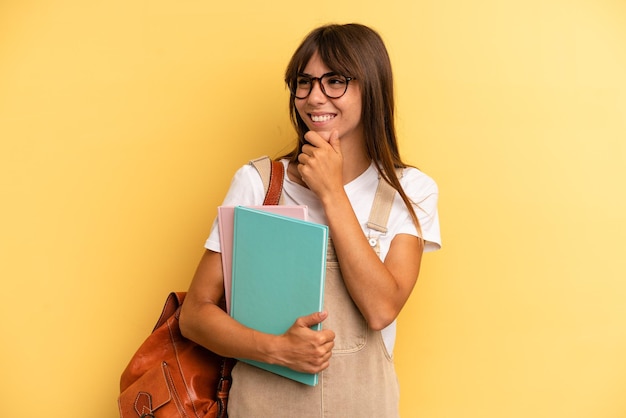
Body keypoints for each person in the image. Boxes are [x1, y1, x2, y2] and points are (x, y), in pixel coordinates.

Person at [179, 23, 441, 417]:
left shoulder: (409, 190)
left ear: (372, 87)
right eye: (304, 82)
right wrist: (277, 349)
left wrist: (331, 192)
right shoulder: (258, 183)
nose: (315, 97)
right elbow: (195, 315)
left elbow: (381, 309)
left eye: (335, 81)